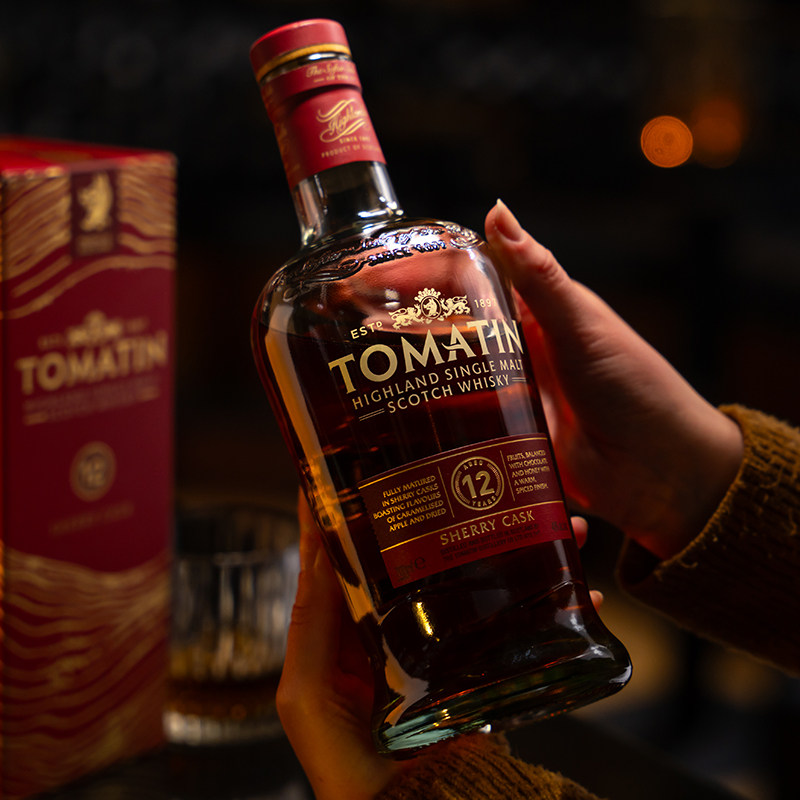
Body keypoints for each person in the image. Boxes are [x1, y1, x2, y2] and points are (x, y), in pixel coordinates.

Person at [276, 200, 800, 800]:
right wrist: (685, 479)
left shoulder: (442, 254)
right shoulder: (301, 297)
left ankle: (553, 635)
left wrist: (425, 790)